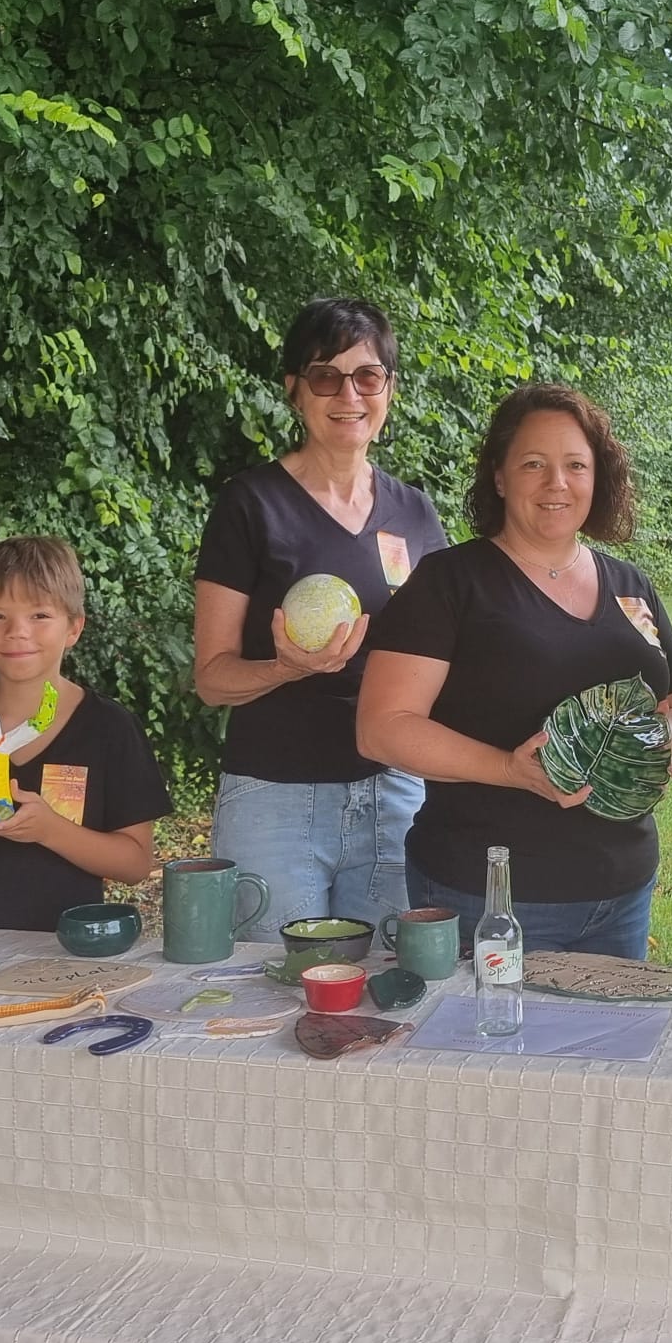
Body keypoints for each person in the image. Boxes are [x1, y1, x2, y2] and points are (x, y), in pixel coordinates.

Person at [356, 383, 672, 957]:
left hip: (623, 890)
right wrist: (508, 769)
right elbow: (382, 727)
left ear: (598, 477)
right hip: (489, 895)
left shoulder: (630, 586)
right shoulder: (450, 582)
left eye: (576, 465)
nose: (556, 483)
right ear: (499, 477)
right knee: (488, 1022)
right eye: (533, 464)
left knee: (611, 1022)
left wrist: (650, 741)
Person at [192, 298, 447, 938]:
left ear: (389, 388)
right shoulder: (250, 504)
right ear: (295, 390)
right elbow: (212, 678)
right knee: (273, 979)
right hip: (275, 794)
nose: (348, 395)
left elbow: (451, 660)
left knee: (394, 981)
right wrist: (283, 668)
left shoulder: (415, 514)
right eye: (325, 376)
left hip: (395, 789)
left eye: (368, 376)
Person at [0, 536, 165, 930]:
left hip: (69, 949)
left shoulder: (110, 728)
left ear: (74, 628)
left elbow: (136, 864)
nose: (17, 631)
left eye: (39, 615)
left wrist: (50, 830)